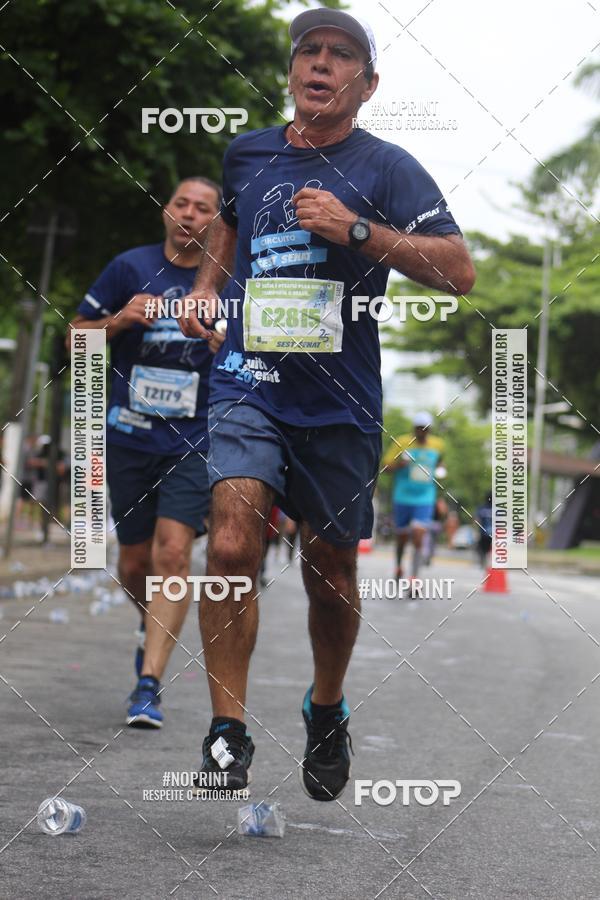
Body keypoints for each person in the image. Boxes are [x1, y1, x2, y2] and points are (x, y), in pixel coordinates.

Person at [179, 8, 475, 799]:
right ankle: (226, 730)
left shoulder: (389, 169)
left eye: (341, 55)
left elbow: (457, 270)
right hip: (248, 381)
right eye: (308, 50)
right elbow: (228, 231)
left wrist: (356, 231)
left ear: (366, 84)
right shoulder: (248, 153)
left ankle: (327, 706)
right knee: (234, 543)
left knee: (330, 568)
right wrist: (207, 291)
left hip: (340, 401)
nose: (319, 63)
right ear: (291, 70)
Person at [68, 177, 223, 729]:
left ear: (216, 221)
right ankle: (151, 625)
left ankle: (148, 684)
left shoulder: (229, 280)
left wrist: (223, 344)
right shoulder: (129, 268)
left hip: (195, 437)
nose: (190, 213)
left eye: (203, 208)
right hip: (130, 434)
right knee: (134, 564)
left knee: (173, 555)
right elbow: (74, 339)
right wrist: (115, 322)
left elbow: (257, 356)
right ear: (165, 212)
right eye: (182, 203)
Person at [384, 412, 445, 592]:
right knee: (402, 538)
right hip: (402, 496)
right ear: (414, 429)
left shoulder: (438, 445)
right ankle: (398, 566)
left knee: (418, 536)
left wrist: (441, 469)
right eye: (419, 428)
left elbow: (441, 463)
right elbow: (386, 467)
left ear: (430, 430)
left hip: (425, 498)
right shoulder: (402, 442)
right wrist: (398, 465)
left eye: (425, 428)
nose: (422, 431)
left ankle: (414, 579)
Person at [475, 493, 493, 568]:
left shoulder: (482, 508)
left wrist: (476, 530)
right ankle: (489, 563)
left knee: (482, 549)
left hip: (484, 533)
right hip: (494, 533)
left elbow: (477, 520)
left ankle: (483, 562)